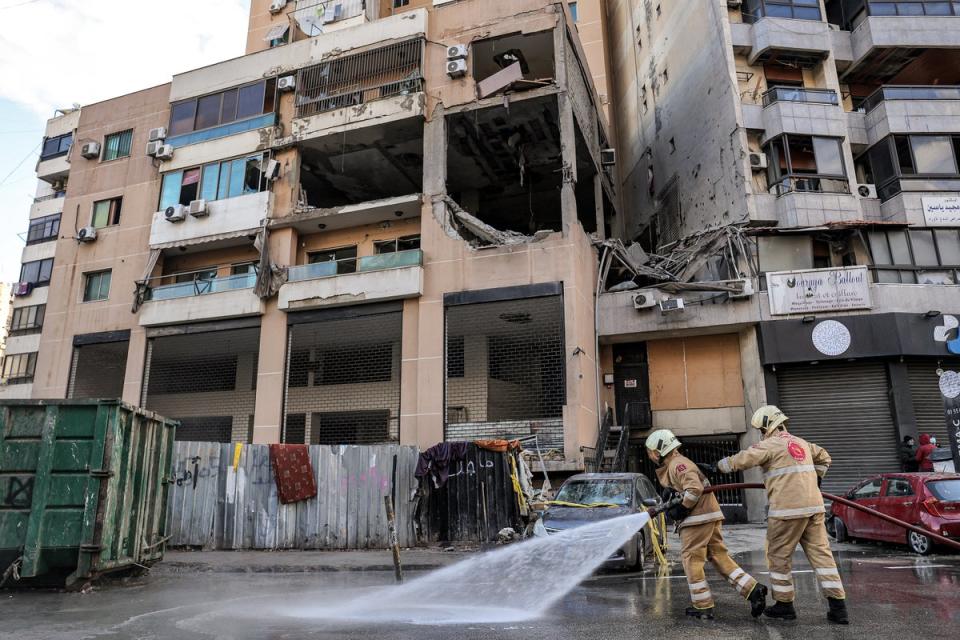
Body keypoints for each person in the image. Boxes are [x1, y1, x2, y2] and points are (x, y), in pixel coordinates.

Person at [715, 406, 848, 625]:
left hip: (787, 511)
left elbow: (742, 459)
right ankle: (839, 609)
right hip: (814, 509)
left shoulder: (769, 445)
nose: (760, 433)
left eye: (760, 429)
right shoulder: (801, 443)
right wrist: (817, 479)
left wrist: (717, 466)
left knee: (778, 556)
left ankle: (785, 605)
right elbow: (825, 457)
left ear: (767, 426)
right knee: (823, 558)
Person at [644, 429, 768, 621]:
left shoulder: (677, 464)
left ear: (659, 450)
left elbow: (694, 489)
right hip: (709, 515)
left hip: (697, 520)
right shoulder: (679, 463)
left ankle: (703, 606)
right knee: (718, 556)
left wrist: (682, 509)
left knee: (691, 560)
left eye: (651, 451)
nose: (650, 455)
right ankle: (752, 589)